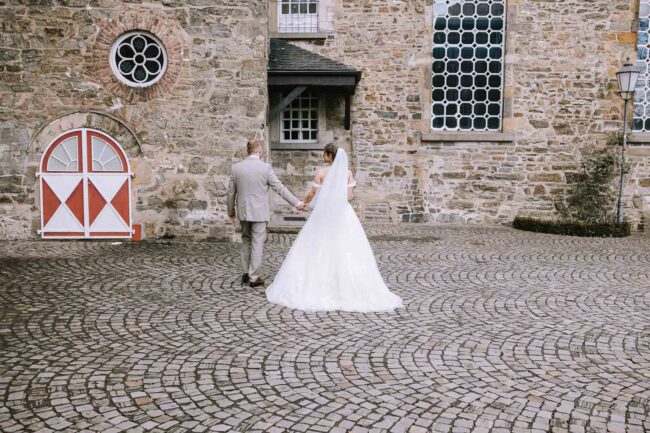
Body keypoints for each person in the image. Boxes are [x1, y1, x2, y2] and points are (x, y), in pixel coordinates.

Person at [266, 144, 403, 312]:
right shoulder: (347, 173)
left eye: (325, 154)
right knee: (346, 247)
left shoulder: (321, 173)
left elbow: (312, 194)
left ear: (329, 156)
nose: (324, 156)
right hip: (343, 212)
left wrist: (302, 203)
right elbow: (349, 196)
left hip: (324, 213)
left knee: (317, 246)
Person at [227, 139, 304, 288]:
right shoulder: (265, 168)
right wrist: (297, 203)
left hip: (243, 211)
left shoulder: (236, 168)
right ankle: (254, 277)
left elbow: (230, 193)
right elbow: (280, 188)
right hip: (259, 213)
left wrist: (230, 211)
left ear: (247, 150)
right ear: (260, 151)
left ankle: (245, 272)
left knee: (246, 240)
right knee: (257, 242)